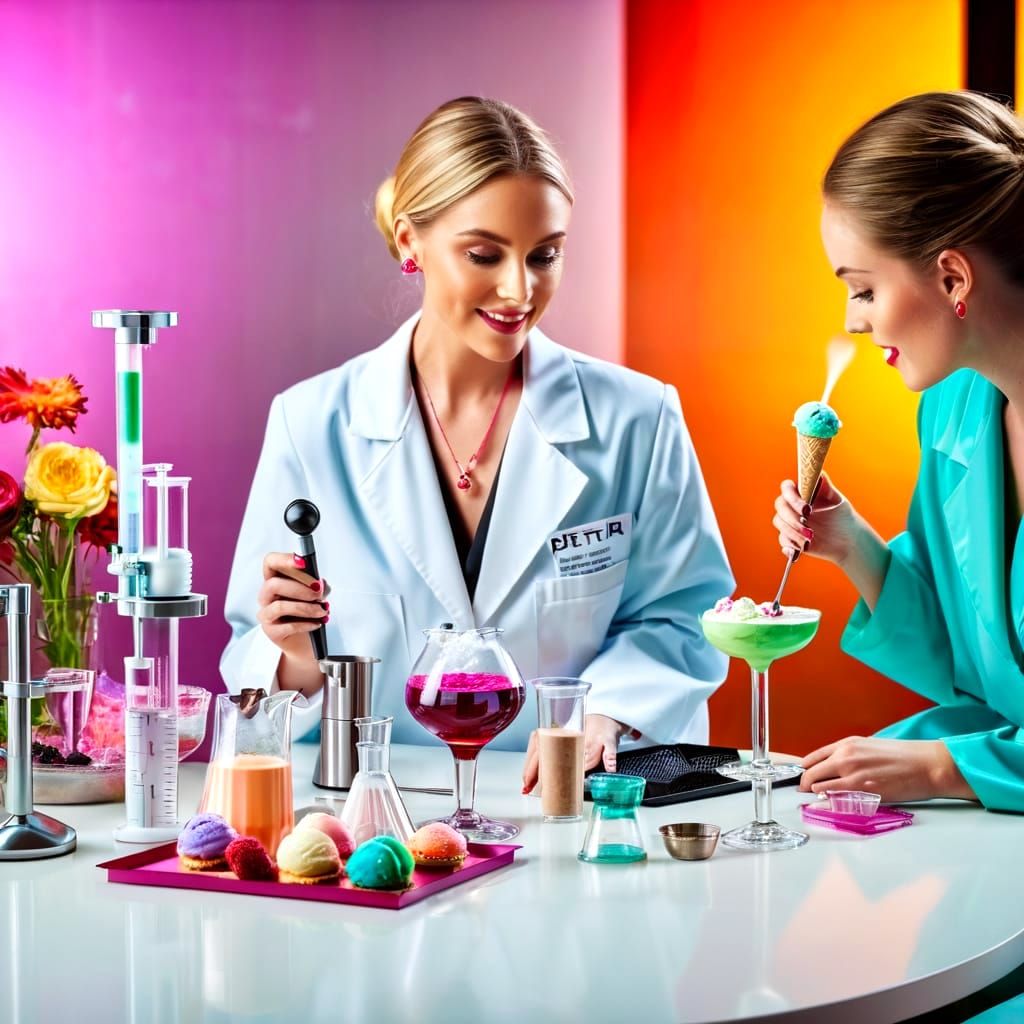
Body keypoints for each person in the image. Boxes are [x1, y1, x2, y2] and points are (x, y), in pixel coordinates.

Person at [221, 96, 733, 788]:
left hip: (569, 806)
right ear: (410, 241)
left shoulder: (639, 418)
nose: (519, 289)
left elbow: (682, 619)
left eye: (544, 255)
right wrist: (294, 655)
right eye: (484, 254)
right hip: (389, 818)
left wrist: (605, 714)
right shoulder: (311, 423)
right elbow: (253, 660)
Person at [772, 91, 1024, 812]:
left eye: (864, 289)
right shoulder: (952, 412)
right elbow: (975, 661)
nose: (854, 322)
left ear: (952, 277)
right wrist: (852, 545)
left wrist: (949, 768)